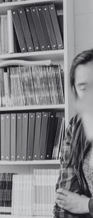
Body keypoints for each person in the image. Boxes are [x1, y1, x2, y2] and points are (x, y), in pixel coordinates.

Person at [54, 49, 93, 217]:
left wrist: (88, 205)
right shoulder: (76, 126)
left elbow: (79, 203)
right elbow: (65, 197)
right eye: (84, 88)